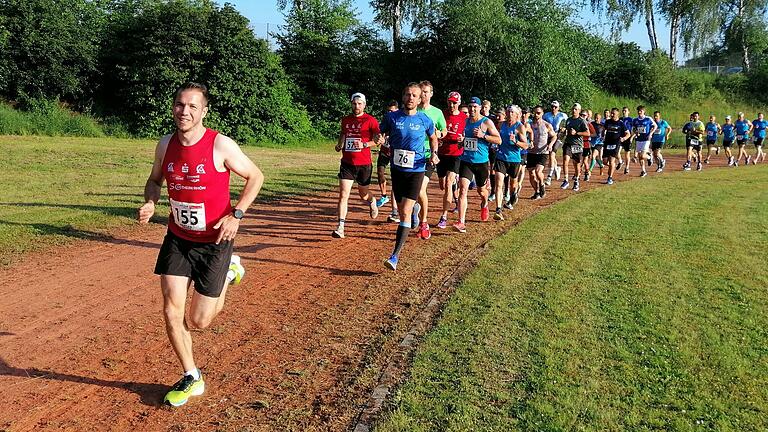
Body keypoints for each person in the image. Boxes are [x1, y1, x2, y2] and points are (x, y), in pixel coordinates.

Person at [137, 82, 264, 407]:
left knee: (200, 321)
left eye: (193, 106)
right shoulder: (165, 145)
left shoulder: (220, 145)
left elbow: (256, 176)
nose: (185, 111)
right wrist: (151, 202)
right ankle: (192, 375)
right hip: (178, 238)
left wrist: (236, 214)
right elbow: (155, 180)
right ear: (173, 107)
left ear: (204, 111)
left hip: (215, 241)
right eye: (180, 105)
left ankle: (230, 270)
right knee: (170, 309)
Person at [378, 83, 438, 270]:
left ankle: (395, 256)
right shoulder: (392, 117)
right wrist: (379, 138)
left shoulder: (425, 119)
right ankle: (414, 211)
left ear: (420, 99)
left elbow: (433, 137)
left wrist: (434, 153)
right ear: (403, 97)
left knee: (403, 211)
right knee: (404, 206)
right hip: (397, 169)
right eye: (407, 94)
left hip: (417, 170)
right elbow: (380, 132)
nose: (410, 98)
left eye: (414, 95)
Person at [331, 93, 381, 238]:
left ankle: (372, 201)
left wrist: (364, 144)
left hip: (364, 164)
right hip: (347, 163)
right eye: (354, 103)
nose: (356, 106)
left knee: (363, 194)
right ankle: (340, 227)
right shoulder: (346, 120)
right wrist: (340, 144)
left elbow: (378, 140)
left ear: (364, 105)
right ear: (351, 104)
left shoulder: (370, 120)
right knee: (343, 195)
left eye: (359, 104)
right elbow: (343, 133)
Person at [454, 97, 501, 232]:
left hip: (481, 162)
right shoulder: (466, 122)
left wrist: (483, 135)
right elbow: (463, 142)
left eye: (475, 106)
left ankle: (485, 203)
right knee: (462, 190)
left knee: (481, 191)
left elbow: (499, 140)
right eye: (470, 106)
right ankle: (461, 222)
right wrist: (461, 141)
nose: (472, 109)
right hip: (466, 161)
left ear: (480, 107)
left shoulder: (486, 122)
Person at [415, 81, 447, 240]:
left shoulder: (437, 112)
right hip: (412, 155)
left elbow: (444, 129)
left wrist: (439, 134)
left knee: (421, 188)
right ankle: (415, 213)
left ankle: (424, 223)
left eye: (426, 92)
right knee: (412, 191)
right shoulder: (412, 111)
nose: (424, 95)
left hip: (429, 156)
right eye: (422, 92)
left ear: (431, 93)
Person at [436, 91, 467, 229]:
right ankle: (453, 185)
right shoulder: (442, 114)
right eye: (450, 102)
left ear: (459, 103)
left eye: (454, 102)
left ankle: (444, 217)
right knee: (442, 185)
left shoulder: (463, 118)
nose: (452, 104)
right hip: (442, 153)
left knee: (448, 184)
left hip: (456, 153)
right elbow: (436, 129)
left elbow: (469, 134)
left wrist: (463, 139)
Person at [493, 104, 528, 220]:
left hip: (514, 159)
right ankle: (498, 209)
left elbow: (525, 145)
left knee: (513, 184)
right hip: (501, 157)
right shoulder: (501, 124)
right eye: (508, 112)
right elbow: (496, 137)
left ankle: (514, 195)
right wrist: (494, 144)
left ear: (517, 115)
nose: (509, 114)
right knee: (499, 183)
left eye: (512, 112)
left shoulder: (520, 127)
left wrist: (516, 141)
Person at [377, 100, 401, 222]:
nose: (389, 113)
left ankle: (396, 211)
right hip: (384, 151)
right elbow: (378, 132)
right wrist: (379, 138)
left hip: (396, 154)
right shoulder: (386, 120)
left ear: (397, 110)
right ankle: (384, 196)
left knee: (395, 182)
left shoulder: (400, 121)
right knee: (380, 172)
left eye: (392, 111)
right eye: (388, 111)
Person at [527, 105, 558, 199]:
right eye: (535, 112)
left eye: (538, 113)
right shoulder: (529, 125)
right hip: (531, 152)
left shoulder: (547, 125)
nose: (536, 115)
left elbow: (554, 136)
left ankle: (542, 184)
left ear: (542, 113)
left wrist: (550, 144)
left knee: (538, 171)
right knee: (531, 174)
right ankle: (536, 192)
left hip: (542, 152)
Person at [560, 103, 590, 191]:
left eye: (576, 109)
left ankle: (576, 180)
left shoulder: (582, 121)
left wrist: (576, 133)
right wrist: (563, 130)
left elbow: (587, 133)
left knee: (576, 164)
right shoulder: (568, 120)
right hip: (568, 143)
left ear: (579, 111)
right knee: (565, 160)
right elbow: (566, 130)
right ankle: (566, 180)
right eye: (573, 109)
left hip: (577, 144)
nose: (574, 111)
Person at [602, 107, 630, 185]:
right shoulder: (607, 122)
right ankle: (612, 167)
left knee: (612, 160)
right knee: (604, 162)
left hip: (615, 143)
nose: (611, 114)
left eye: (613, 113)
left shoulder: (621, 123)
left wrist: (623, 138)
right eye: (611, 113)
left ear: (617, 114)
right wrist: (602, 135)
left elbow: (628, 133)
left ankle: (610, 177)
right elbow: (603, 130)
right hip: (607, 143)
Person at [542, 101, 567, 186]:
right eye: (552, 106)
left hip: (559, 137)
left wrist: (564, 129)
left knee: (552, 154)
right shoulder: (546, 115)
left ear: (558, 108)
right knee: (550, 155)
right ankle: (556, 168)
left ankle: (549, 177)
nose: (553, 108)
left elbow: (567, 124)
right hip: (549, 136)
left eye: (555, 107)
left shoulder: (563, 115)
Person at [631, 105, 657, 177]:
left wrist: (651, 133)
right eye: (638, 111)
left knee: (642, 155)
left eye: (641, 111)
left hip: (646, 139)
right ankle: (643, 171)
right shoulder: (635, 120)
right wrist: (636, 132)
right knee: (640, 157)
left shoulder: (648, 119)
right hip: (638, 139)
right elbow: (633, 128)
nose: (639, 112)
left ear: (644, 111)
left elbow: (655, 126)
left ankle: (649, 157)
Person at [618, 106, 634, 172]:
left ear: (628, 112)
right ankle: (620, 161)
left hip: (627, 138)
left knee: (627, 154)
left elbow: (634, 129)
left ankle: (627, 167)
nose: (624, 112)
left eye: (625, 111)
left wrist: (632, 137)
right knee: (617, 152)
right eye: (623, 110)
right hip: (620, 138)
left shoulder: (631, 119)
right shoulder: (620, 119)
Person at [589, 112, 605, 177]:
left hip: (599, 143)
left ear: (600, 119)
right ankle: (601, 165)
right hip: (592, 142)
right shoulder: (591, 124)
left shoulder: (603, 126)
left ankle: (589, 171)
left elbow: (604, 135)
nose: (596, 119)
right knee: (597, 157)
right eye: (595, 118)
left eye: (598, 118)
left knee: (593, 156)